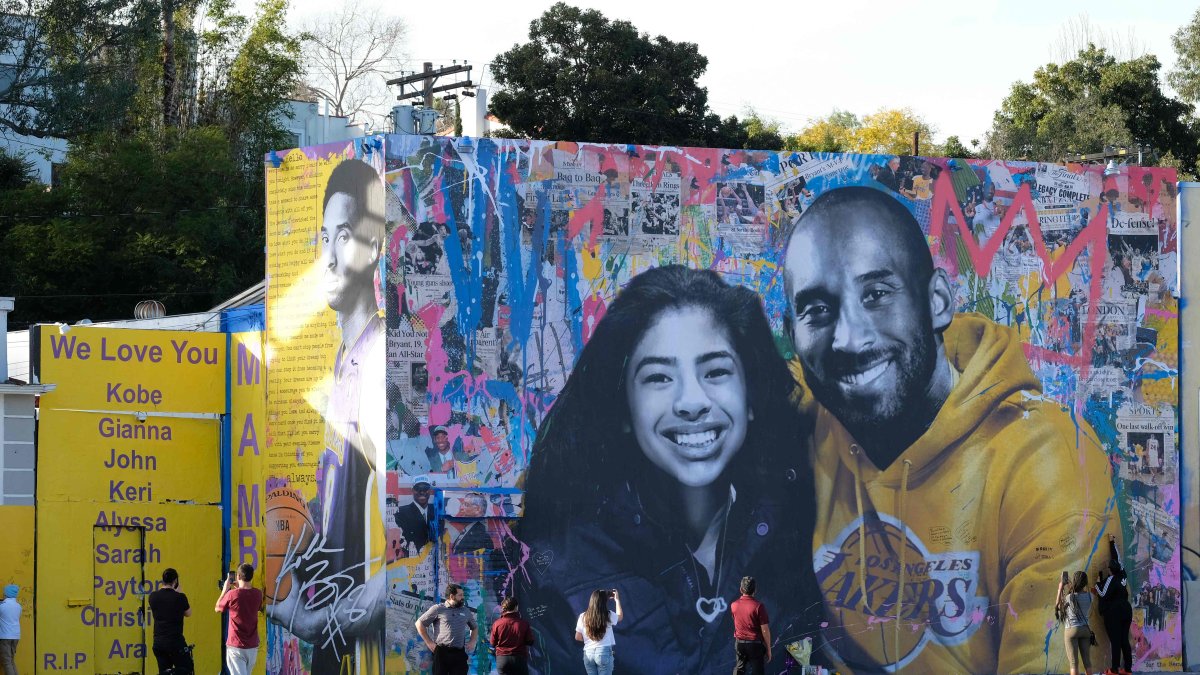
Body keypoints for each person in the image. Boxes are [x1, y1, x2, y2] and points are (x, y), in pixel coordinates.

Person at [781, 186, 1113, 674]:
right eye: (817, 310)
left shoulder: (1045, 459)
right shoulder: (806, 409)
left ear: (937, 300)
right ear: (794, 336)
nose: (848, 339)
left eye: (875, 294)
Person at [519, 265, 819, 673]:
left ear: (751, 397)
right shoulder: (562, 574)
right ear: (624, 406)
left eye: (715, 371)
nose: (691, 401)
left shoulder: (805, 535)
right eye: (659, 377)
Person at [266, 157, 388, 674]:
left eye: (345, 235)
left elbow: (409, 547)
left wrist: (327, 621)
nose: (331, 257)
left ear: (375, 247)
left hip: (366, 652)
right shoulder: (344, 361)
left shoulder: (380, 357)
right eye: (324, 237)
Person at [415, 584, 477, 675]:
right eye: (460, 595)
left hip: (459, 653)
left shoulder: (465, 611)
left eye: (463, 595)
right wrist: (429, 643)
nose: (463, 597)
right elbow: (419, 623)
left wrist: (472, 641)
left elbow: (474, 627)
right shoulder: (438, 609)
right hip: (441, 653)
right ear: (452, 596)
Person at [215, 564, 265, 675]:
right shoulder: (258, 594)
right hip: (252, 646)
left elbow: (217, 608)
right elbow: (250, 603)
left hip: (236, 646)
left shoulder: (232, 594)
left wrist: (224, 590)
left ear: (238, 576)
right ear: (251, 577)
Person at [1095, 535, 1133, 675]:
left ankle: (1114, 669)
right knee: (1124, 640)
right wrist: (1112, 542)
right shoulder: (1122, 574)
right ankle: (1127, 669)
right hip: (1126, 610)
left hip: (1115, 612)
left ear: (1110, 570)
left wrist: (1098, 581)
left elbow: (1102, 592)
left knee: (1115, 640)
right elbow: (1118, 558)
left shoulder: (1111, 579)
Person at [147, 568, 193, 675]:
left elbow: (165, 604)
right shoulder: (180, 597)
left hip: (158, 642)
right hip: (175, 643)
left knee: (164, 672)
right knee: (186, 669)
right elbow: (188, 613)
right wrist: (180, 593)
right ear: (175, 581)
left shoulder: (153, 596)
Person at [574, 590, 622, 675]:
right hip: (603, 652)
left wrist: (590, 639)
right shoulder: (608, 615)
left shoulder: (582, 616)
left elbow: (578, 637)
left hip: (588, 654)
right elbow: (620, 617)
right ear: (604, 602)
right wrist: (617, 600)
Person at [730, 576, 771, 674]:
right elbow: (765, 630)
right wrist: (768, 648)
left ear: (741, 589)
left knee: (739, 669)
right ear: (755, 590)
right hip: (755, 645)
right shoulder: (759, 606)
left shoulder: (733, 605)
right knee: (758, 671)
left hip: (739, 644)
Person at [1057, 571, 1093, 675]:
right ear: (1085, 582)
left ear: (1074, 582)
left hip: (1072, 630)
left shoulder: (1069, 597)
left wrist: (1060, 588)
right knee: (1087, 661)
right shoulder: (1091, 596)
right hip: (1085, 630)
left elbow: (1058, 606)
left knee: (1073, 663)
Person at [489, 597, 534, 675]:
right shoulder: (524, 623)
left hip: (502, 659)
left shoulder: (497, 623)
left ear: (503, 608)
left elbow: (492, 643)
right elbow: (530, 641)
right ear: (516, 607)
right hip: (519, 658)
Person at [394, 480, 436, 555]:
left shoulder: (436, 511)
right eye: (418, 489)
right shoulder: (401, 512)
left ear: (430, 491)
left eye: (425, 489)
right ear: (412, 490)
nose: (422, 492)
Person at [0, 584, 20, 675]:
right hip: (16, 636)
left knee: (6, 662)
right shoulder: (18, 606)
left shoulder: (2, 606)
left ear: (6, 594)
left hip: (5, 636)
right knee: (11, 660)